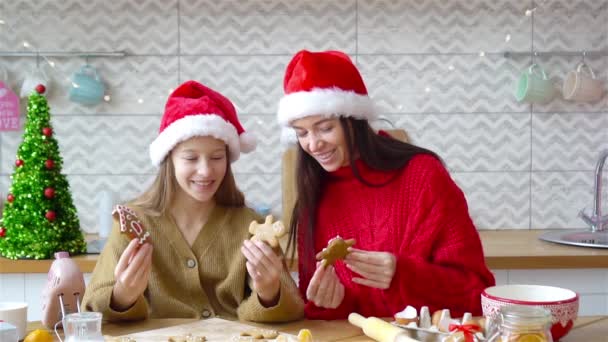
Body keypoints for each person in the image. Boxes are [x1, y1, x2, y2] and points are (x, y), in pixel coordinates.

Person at [277, 50, 495, 320]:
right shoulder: (315, 193)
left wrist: (403, 274)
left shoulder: (423, 176)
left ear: (354, 120)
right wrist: (332, 303)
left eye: (324, 128)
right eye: (302, 133)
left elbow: (477, 293)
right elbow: (326, 315)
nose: (313, 143)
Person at [82, 80, 304, 322]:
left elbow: (294, 309)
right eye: (191, 158)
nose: (205, 171)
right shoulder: (132, 223)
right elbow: (91, 310)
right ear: (170, 160)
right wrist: (122, 296)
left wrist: (270, 293)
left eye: (217, 157)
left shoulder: (253, 227)